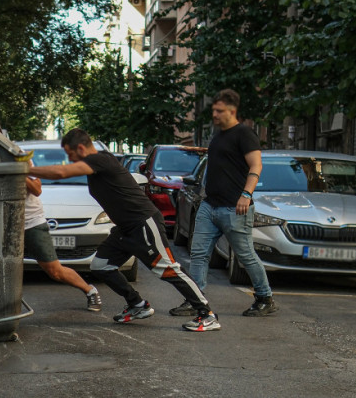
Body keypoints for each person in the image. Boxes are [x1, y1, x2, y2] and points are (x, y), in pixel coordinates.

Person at [27, 128, 220, 332]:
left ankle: (207, 314)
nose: (70, 159)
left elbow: (61, 172)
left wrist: (24, 170)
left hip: (143, 223)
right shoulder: (97, 163)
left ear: (81, 148)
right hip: (125, 229)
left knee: (168, 269)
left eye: (70, 154)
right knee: (101, 266)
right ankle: (137, 305)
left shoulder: (99, 160)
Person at [187, 89, 277, 317]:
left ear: (232, 111)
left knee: (245, 255)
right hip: (210, 205)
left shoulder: (244, 134)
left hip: (235, 208)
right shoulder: (218, 136)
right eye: (214, 110)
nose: (214, 114)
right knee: (198, 253)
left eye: (219, 111)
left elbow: (256, 165)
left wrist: (246, 194)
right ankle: (195, 300)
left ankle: (265, 298)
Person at [23, 162, 103, 312]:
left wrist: (18, 173)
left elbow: (37, 189)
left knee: (54, 271)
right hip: (4, 223)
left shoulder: (19, 157)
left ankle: (89, 290)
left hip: (31, 222)